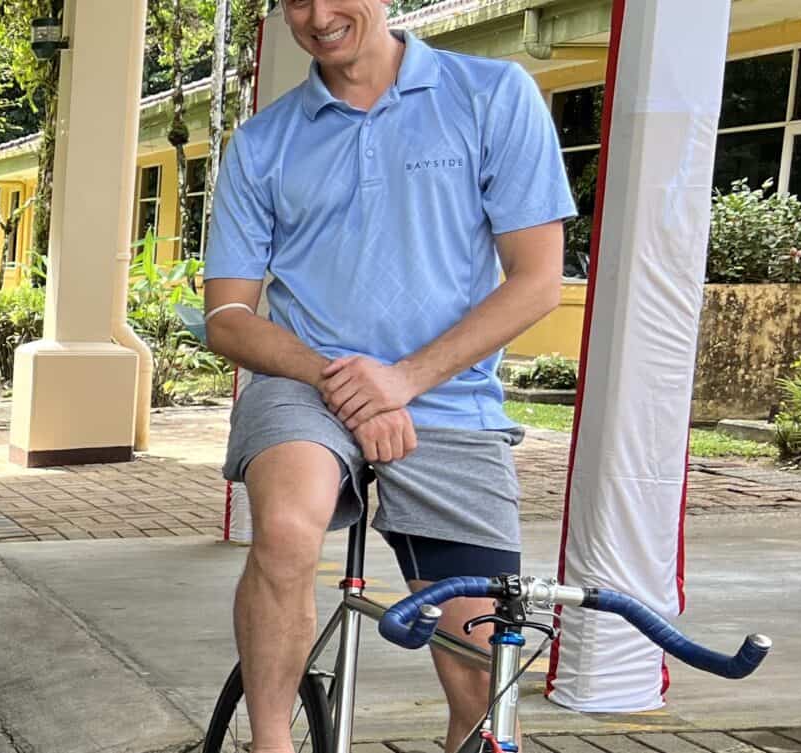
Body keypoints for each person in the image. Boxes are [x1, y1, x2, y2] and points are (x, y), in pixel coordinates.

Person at [202, 2, 575, 751]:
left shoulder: (492, 94)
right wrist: (345, 382)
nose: (318, 15)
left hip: (448, 393)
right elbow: (228, 317)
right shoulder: (263, 142)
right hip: (305, 386)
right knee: (286, 529)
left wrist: (403, 380)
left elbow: (536, 281)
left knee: (484, 681)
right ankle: (269, 741)